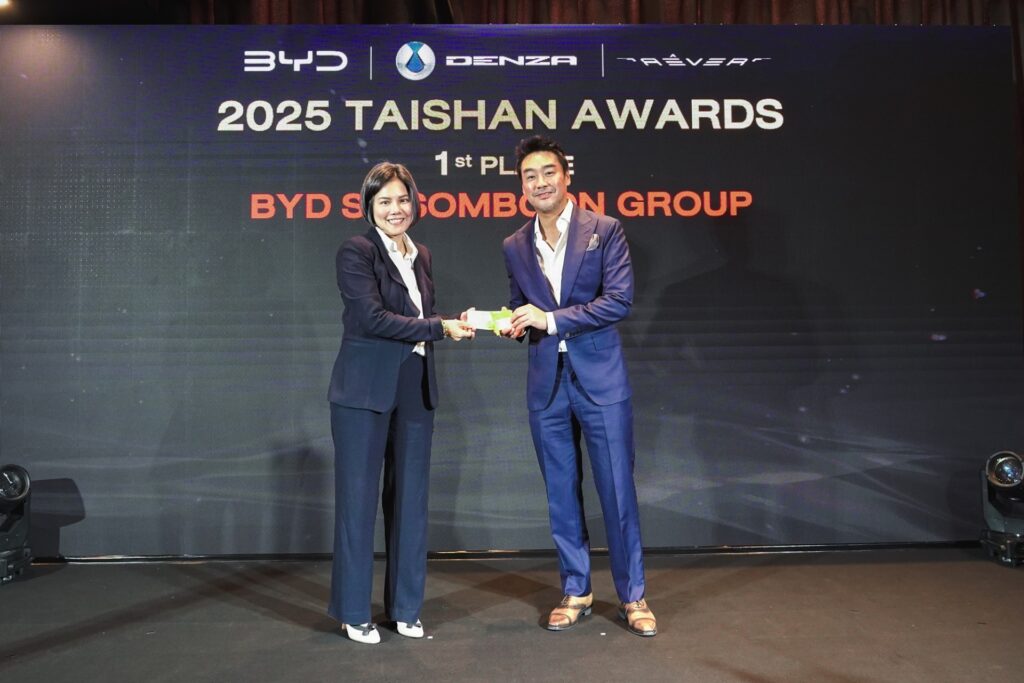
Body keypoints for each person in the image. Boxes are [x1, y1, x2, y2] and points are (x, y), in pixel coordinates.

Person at [501, 136, 656, 637]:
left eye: (548, 172)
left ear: (566, 177)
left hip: (600, 381)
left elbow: (619, 300)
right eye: (530, 176)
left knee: (617, 490)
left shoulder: (604, 230)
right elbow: (521, 306)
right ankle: (576, 590)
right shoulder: (514, 245)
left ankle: (633, 596)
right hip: (546, 384)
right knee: (560, 493)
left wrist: (549, 320)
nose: (540, 183)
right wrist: (513, 323)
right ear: (522, 186)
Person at [327, 161, 474, 644]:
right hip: (364, 391)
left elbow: (420, 315)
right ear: (369, 206)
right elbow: (372, 318)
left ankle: (406, 608)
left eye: (403, 199)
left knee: (411, 500)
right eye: (385, 200)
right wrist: (439, 327)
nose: (396, 209)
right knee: (358, 502)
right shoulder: (357, 251)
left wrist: (454, 322)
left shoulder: (421, 254)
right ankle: (353, 611)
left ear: (415, 202)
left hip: (415, 385)